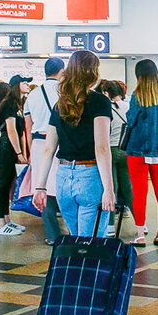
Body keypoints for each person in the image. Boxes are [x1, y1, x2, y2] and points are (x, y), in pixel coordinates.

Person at [31, 50, 115, 237]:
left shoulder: (60, 104)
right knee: (90, 244)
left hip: (63, 179)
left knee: (76, 238)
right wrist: (109, 189)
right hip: (90, 177)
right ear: (93, 72)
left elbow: (49, 149)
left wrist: (40, 187)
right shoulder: (100, 102)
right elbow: (101, 148)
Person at [125, 59, 158, 247]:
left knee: (139, 193)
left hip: (137, 149)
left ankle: (140, 234)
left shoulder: (138, 96)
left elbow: (130, 120)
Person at [25, 57, 64, 243]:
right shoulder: (64, 92)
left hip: (39, 143)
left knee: (43, 188)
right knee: (63, 183)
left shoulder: (32, 95)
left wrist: (27, 151)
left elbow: (28, 125)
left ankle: (52, 235)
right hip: (61, 143)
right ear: (62, 72)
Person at [0, 79, 28, 236]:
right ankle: (0, 224)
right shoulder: (9, 105)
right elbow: (11, 130)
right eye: (24, 82)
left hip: (11, 148)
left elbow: (21, 132)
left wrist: (22, 152)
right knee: (1, 184)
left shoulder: (17, 104)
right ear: (16, 85)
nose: (27, 84)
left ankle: (7, 220)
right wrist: (19, 153)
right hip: (5, 147)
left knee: (7, 184)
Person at [101, 80, 133, 214]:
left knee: (111, 188)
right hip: (126, 150)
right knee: (128, 189)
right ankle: (140, 223)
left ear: (106, 93)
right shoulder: (129, 106)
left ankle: (110, 224)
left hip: (110, 150)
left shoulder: (105, 108)